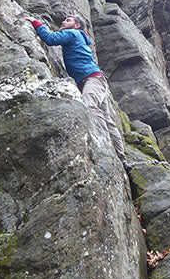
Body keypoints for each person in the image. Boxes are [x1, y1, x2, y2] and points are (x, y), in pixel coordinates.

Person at [23, 15, 128, 166]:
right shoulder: (81, 37)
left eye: (68, 20)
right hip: (98, 80)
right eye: (64, 20)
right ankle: (122, 158)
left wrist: (35, 22)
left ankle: (105, 147)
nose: (63, 22)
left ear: (77, 25)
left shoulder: (72, 33)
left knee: (90, 106)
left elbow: (50, 39)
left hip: (91, 79)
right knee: (107, 119)